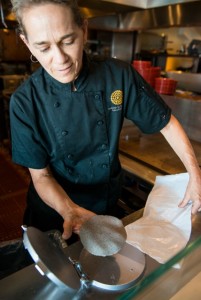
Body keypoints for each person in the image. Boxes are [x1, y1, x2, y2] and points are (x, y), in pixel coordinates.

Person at [10, 0, 201, 242]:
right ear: (27, 43)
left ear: (84, 30)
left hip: (105, 209)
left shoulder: (118, 76)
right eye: (43, 47)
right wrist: (68, 210)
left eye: (68, 41)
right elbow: (41, 176)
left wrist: (195, 174)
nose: (60, 59)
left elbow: (166, 122)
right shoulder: (25, 102)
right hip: (54, 218)